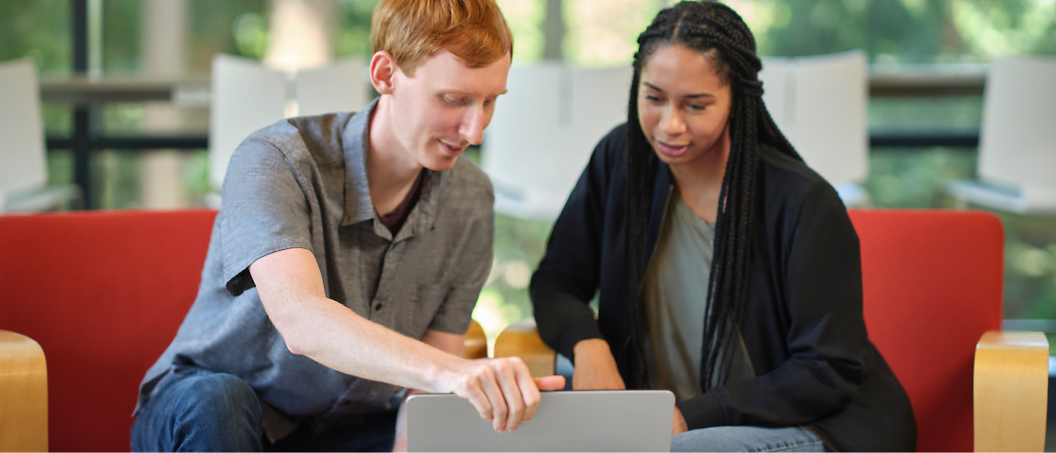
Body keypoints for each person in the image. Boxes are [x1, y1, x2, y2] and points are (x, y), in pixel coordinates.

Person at [132, 0, 564, 451]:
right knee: (217, 402)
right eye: (454, 100)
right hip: (214, 415)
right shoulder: (275, 160)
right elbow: (301, 321)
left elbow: (428, 384)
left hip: (349, 428)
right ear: (384, 75)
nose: (475, 132)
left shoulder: (472, 200)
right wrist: (451, 372)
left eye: (490, 101)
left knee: (477, 435)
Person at [530, 2, 916, 452]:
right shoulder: (620, 160)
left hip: (816, 427)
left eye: (695, 105)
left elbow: (826, 370)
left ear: (737, 98)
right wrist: (587, 344)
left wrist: (690, 416)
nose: (669, 125)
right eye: (653, 97)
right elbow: (555, 281)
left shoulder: (804, 203)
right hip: (673, 420)